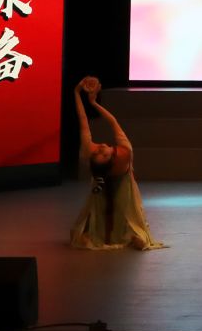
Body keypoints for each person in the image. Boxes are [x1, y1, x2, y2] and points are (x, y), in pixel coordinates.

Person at [69, 77, 165, 250]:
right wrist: (93, 103)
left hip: (107, 183)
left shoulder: (91, 153)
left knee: (98, 214)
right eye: (103, 153)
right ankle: (134, 238)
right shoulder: (124, 154)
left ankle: (98, 236)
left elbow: (82, 120)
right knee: (128, 213)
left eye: (98, 152)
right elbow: (113, 122)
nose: (101, 148)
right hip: (124, 185)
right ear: (113, 156)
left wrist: (77, 92)